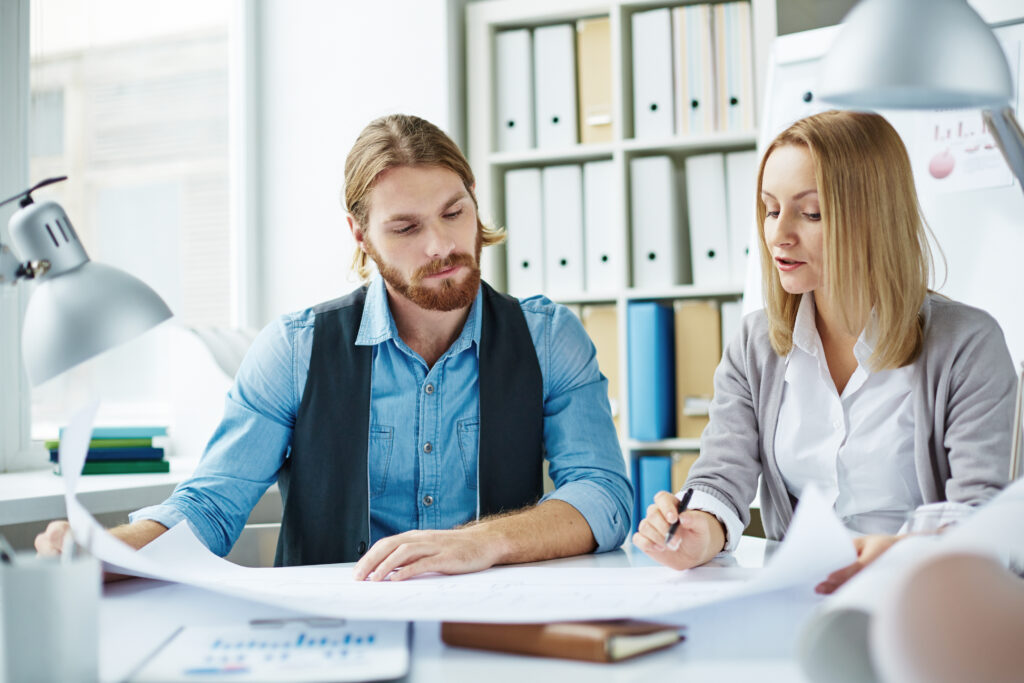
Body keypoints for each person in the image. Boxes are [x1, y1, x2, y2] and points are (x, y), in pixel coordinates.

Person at [36, 114, 632, 580]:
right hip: (331, 635)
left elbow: (604, 495)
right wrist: (107, 548)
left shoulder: (548, 339)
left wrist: (477, 543)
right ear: (360, 233)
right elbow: (212, 507)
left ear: (475, 199)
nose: (440, 246)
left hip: (494, 629)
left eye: (454, 212)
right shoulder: (293, 351)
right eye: (405, 227)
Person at [632, 110, 1015, 592]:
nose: (779, 233)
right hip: (801, 596)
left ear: (873, 215)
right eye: (771, 209)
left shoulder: (968, 344)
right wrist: (697, 529)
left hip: (923, 598)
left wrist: (903, 553)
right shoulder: (756, 344)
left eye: (810, 213)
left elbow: (981, 517)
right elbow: (720, 477)